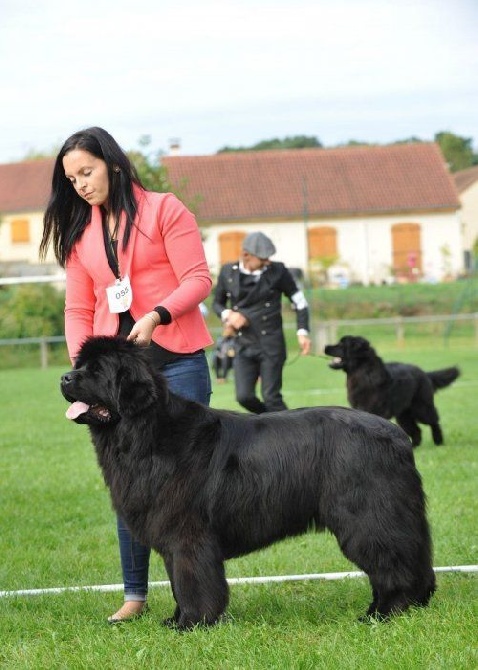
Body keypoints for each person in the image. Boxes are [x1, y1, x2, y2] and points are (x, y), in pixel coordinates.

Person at [40, 126, 213, 624]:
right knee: (129, 486)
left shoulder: (165, 209)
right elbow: (77, 307)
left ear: (113, 164)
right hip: (115, 385)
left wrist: (157, 314)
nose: (81, 185)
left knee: (184, 489)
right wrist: (86, 366)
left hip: (177, 363)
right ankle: (134, 594)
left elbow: (198, 279)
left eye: (87, 172)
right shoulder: (80, 234)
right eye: (72, 179)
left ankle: (194, 598)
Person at [212, 232, 311, 413]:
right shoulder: (228, 272)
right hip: (243, 344)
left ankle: (288, 431)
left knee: (271, 397)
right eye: (263, 258)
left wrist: (302, 332)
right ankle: (273, 424)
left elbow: (300, 302)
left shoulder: (279, 271)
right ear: (246, 255)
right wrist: (229, 315)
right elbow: (217, 303)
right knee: (244, 397)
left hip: (271, 344)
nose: (268, 262)